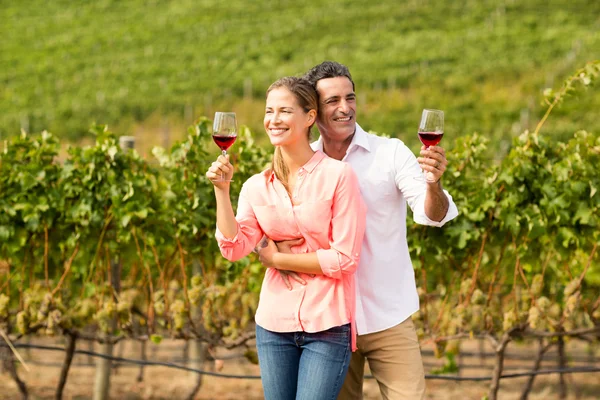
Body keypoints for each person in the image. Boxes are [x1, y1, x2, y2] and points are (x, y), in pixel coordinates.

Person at [262, 62, 459, 399]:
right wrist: (270, 250)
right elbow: (269, 224)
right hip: (328, 321)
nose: (345, 108)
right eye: (332, 101)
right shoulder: (300, 164)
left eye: (350, 98)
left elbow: (433, 215)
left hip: (388, 316)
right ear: (312, 113)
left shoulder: (390, 153)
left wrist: (434, 185)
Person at [205, 76, 367, 400]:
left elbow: (345, 259)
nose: (273, 120)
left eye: (284, 110)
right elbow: (234, 248)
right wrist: (221, 192)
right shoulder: (255, 186)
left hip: (327, 324)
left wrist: (277, 259)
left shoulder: (339, 176)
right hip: (273, 325)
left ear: (309, 117)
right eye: (269, 111)